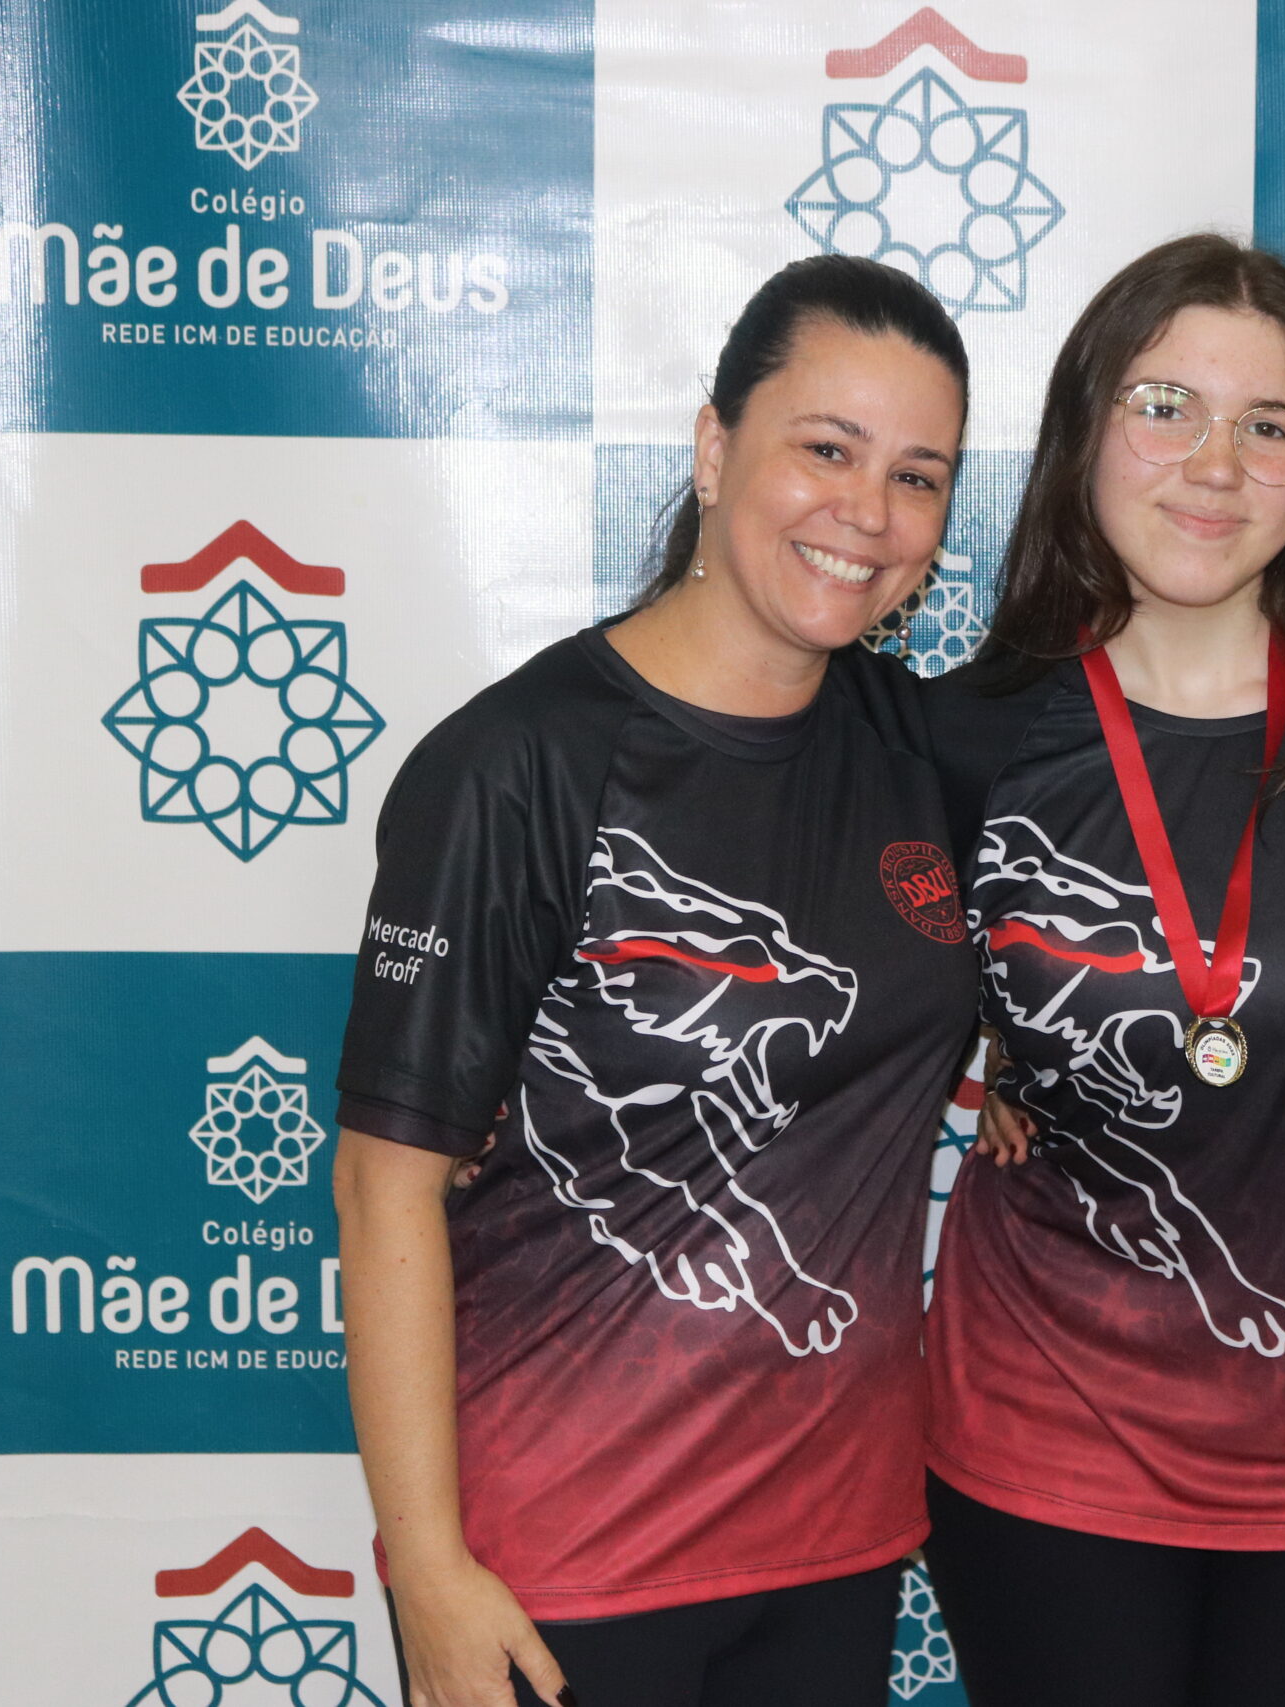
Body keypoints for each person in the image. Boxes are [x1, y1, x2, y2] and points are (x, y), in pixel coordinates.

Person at [331, 255, 980, 1707]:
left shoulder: (924, 748)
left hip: (833, 1550)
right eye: (827, 449)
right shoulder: (516, 766)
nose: (868, 513)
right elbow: (383, 1188)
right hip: (562, 1566)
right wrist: (427, 1569)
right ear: (713, 447)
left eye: (918, 476)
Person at [913, 234, 1285, 1707]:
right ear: (1085, 427)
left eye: (1269, 426)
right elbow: (791, 977)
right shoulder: (956, 742)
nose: (1215, 466)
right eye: (1165, 405)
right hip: (1048, 1448)